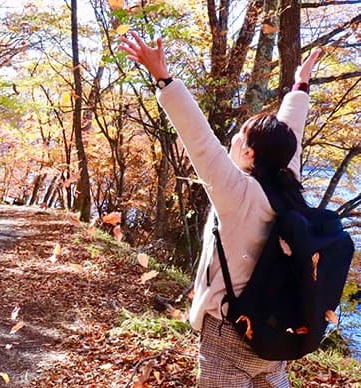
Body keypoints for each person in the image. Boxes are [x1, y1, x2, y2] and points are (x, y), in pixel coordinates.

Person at [119, 32, 322, 387]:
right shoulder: (288, 183)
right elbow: (292, 133)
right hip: (275, 332)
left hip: (229, 330)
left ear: (250, 154)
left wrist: (164, 79)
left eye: (242, 134)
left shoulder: (236, 191)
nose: (236, 136)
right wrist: (299, 87)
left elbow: (198, 139)